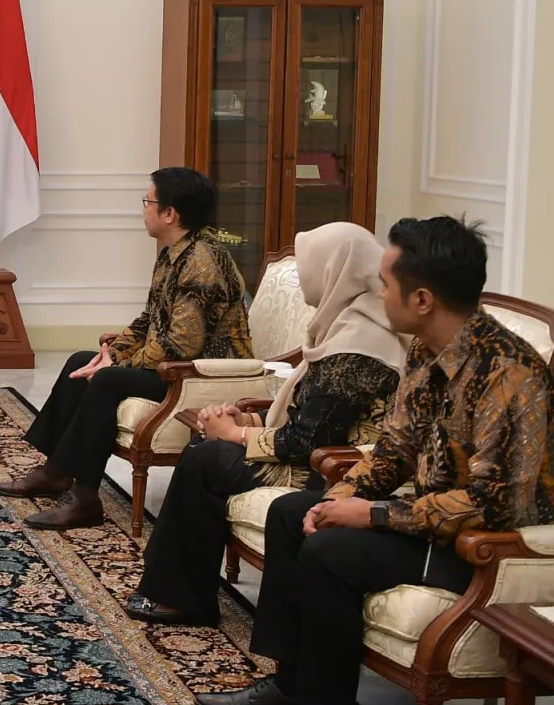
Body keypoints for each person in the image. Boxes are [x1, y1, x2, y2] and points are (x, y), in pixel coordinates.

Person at [194, 216, 554, 705]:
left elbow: (492, 505)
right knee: (293, 513)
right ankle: (292, 685)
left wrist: (372, 514)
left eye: (387, 283)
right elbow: (393, 451)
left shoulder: (509, 373)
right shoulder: (426, 351)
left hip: (492, 548)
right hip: (438, 524)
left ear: (422, 299)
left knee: (332, 554)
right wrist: (338, 498)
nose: (378, 291)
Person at [125, 221, 404, 627]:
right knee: (205, 451)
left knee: (208, 460)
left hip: (336, 467)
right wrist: (250, 418)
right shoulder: (345, 323)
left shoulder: (360, 343)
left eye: (310, 265)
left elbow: (311, 439)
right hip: (319, 450)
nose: (304, 275)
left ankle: (182, 597)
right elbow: (312, 411)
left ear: (333, 271)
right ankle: (178, 589)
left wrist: (236, 434)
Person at [0, 166, 252, 530]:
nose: (143, 209)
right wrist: (112, 354)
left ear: (170, 213)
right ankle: (56, 472)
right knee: (81, 362)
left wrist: (118, 366)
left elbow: (182, 344)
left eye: (148, 201)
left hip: (202, 375)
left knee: (107, 380)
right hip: (175, 364)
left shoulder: (203, 263)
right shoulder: (173, 253)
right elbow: (149, 320)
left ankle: (85, 498)